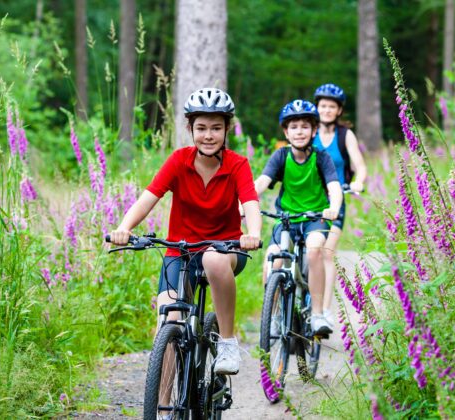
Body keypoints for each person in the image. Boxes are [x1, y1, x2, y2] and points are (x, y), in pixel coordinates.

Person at [109, 88, 262, 375]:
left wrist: (251, 233)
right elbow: (149, 197)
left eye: (216, 128)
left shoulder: (237, 164)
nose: (208, 135)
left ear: (227, 129)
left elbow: (251, 201)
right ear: (190, 128)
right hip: (180, 251)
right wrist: (123, 228)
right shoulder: (179, 161)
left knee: (213, 259)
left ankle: (227, 341)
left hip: (226, 249)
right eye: (201, 128)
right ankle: (163, 410)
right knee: (168, 324)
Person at [254, 99, 343, 335]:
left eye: (305, 126)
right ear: (285, 131)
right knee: (273, 258)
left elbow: (334, 187)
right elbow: (262, 182)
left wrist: (333, 207)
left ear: (314, 130)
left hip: (316, 218)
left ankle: (317, 313)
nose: (299, 131)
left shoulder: (322, 158)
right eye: (294, 127)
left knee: (314, 250)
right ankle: (272, 315)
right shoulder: (281, 156)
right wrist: (246, 202)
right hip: (287, 220)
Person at [312, 83, 368, 328]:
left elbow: (360, 166)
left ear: (339, 110)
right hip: (310, 200)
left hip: (336, 200)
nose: (326, 110)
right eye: (322, 105)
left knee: (327, 252)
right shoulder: (308, 131)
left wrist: (358, 182)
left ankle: (323, 310)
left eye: (331, 107)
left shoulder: (346, 135)